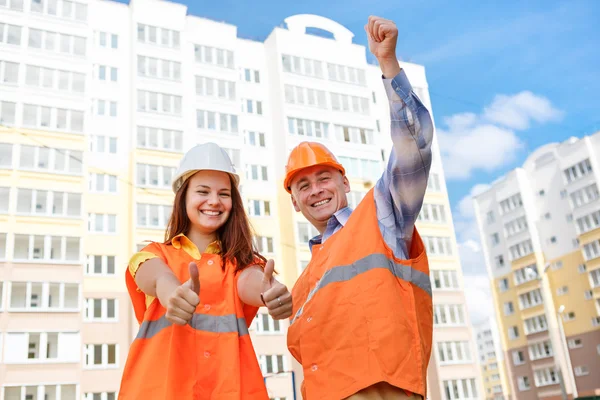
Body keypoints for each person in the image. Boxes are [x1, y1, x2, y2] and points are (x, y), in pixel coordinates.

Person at [285, 16, 434, 400]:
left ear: (345, 183)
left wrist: (388, 65)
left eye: (324, 179)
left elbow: (413, 149)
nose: (315, 191)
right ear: (294, 201)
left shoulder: (382, 214)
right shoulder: (306, 281)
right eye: (304, 185)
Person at [118, 142, 292, 399]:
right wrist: (171, 293)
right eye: (203, 191)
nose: (214, 201)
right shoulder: (154, 254)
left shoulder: (241, 263)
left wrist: (269, 292)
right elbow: (154, 276)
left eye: (224, 193)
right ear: (183, 197)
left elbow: (250, 282)